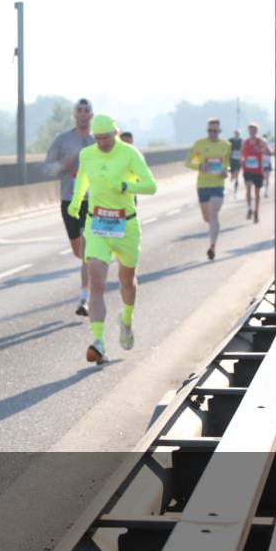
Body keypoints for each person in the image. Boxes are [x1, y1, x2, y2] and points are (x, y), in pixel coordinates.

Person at [67, 114, 157, 364]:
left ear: (115, 133)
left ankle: (126, 318)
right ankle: (98, 342)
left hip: (126, 224)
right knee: (96, 281)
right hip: (97, 224)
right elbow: (82, 179)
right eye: (97, 138)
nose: (102, 143)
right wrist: (76, 202)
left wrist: (126, 186)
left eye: (106, 138)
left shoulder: (130, 154)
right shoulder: (88, 155)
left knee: (127, 279)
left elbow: (151, 186)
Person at [43, 98, 95, 316]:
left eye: (86, 111)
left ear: (91, 115)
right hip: (68, 198)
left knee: (87, 250)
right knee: (78, 250)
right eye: (79, 111)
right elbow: (46, 167)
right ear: (74, 115)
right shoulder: (63, 140)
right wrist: (63, 166)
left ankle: (84, 297)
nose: (83, 114)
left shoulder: (98, 140)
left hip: (92, 200)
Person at [185, 118, 231, 260]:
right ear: (207, 131)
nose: (213, 133)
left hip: (217, 185)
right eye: (210, 131)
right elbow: (188, 162)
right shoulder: (199, 144)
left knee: (213, 216)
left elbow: (227, 164)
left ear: (220, 131)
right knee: (207, 218)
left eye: (215, 131)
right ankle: (212, 234)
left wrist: (226, 172)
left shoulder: (226, 145)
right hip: (203, 185)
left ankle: (212, 246)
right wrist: (200, 166)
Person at [240, 123, 271, 224]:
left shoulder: (261, 141)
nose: (252, 132)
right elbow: (241, 154)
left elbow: (270, 153)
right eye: (250, 130)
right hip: (247, 169)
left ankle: (256, 211)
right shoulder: (245, 142)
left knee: (257, 193)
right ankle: (249, 208)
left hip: (258, 171)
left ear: (256, 131)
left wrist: (262, 150)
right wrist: (242, 160)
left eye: (253, 130)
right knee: (248, 189)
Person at [228, 129, 243, 197]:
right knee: (232, 176)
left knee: (237, 175)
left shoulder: (241, 140)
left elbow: (242, 149)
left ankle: (235, 190)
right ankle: (230, 187)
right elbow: (228, 149)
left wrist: (241, 158)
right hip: (232, 160)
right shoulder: (230, 140)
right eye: (236, 133)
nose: (237, 134)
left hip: (238, 160)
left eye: (238, 133)